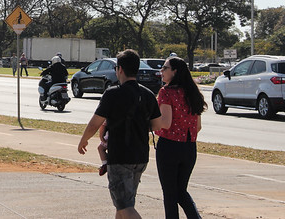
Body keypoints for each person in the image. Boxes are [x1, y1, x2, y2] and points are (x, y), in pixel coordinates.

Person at [78, 49, 161, 219]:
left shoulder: (112, 93)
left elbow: (95, 122)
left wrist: (83, 140)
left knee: (125, 206)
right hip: (141, 156)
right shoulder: (148, 94)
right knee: (123, 204)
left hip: (121, 156)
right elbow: (157, 125)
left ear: (120, 69)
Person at [153, 56, 207, 219]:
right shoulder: (192, 92)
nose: (161, 71)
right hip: (189, 147)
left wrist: (149, 124)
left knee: (170, 194)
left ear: (174, 71)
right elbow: (198, 127)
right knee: (180, 191)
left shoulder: (166, 92)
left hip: (169, 147)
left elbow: (166, 123)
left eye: (165, 68)